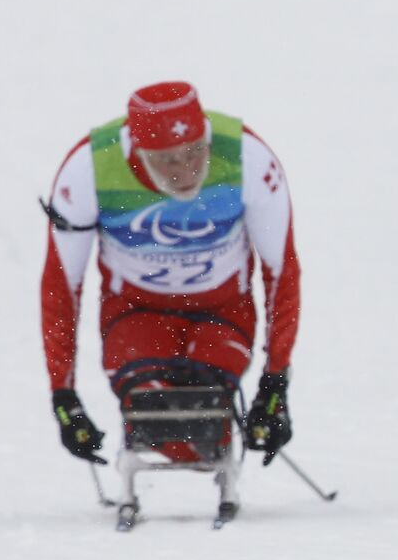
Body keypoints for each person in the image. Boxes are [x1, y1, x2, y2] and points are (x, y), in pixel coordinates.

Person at [40, 81, 301, 469]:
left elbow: (281, 271)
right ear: (137, 150)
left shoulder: (249, 158)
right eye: (166, 160)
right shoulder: (88, 169)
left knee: (204, 411)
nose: (185, 170)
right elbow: (62, 285)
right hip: (136, 313)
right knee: (155, 412)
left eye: (196, 152)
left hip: (223, 311)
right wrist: (64, 394)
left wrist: (275, 382)